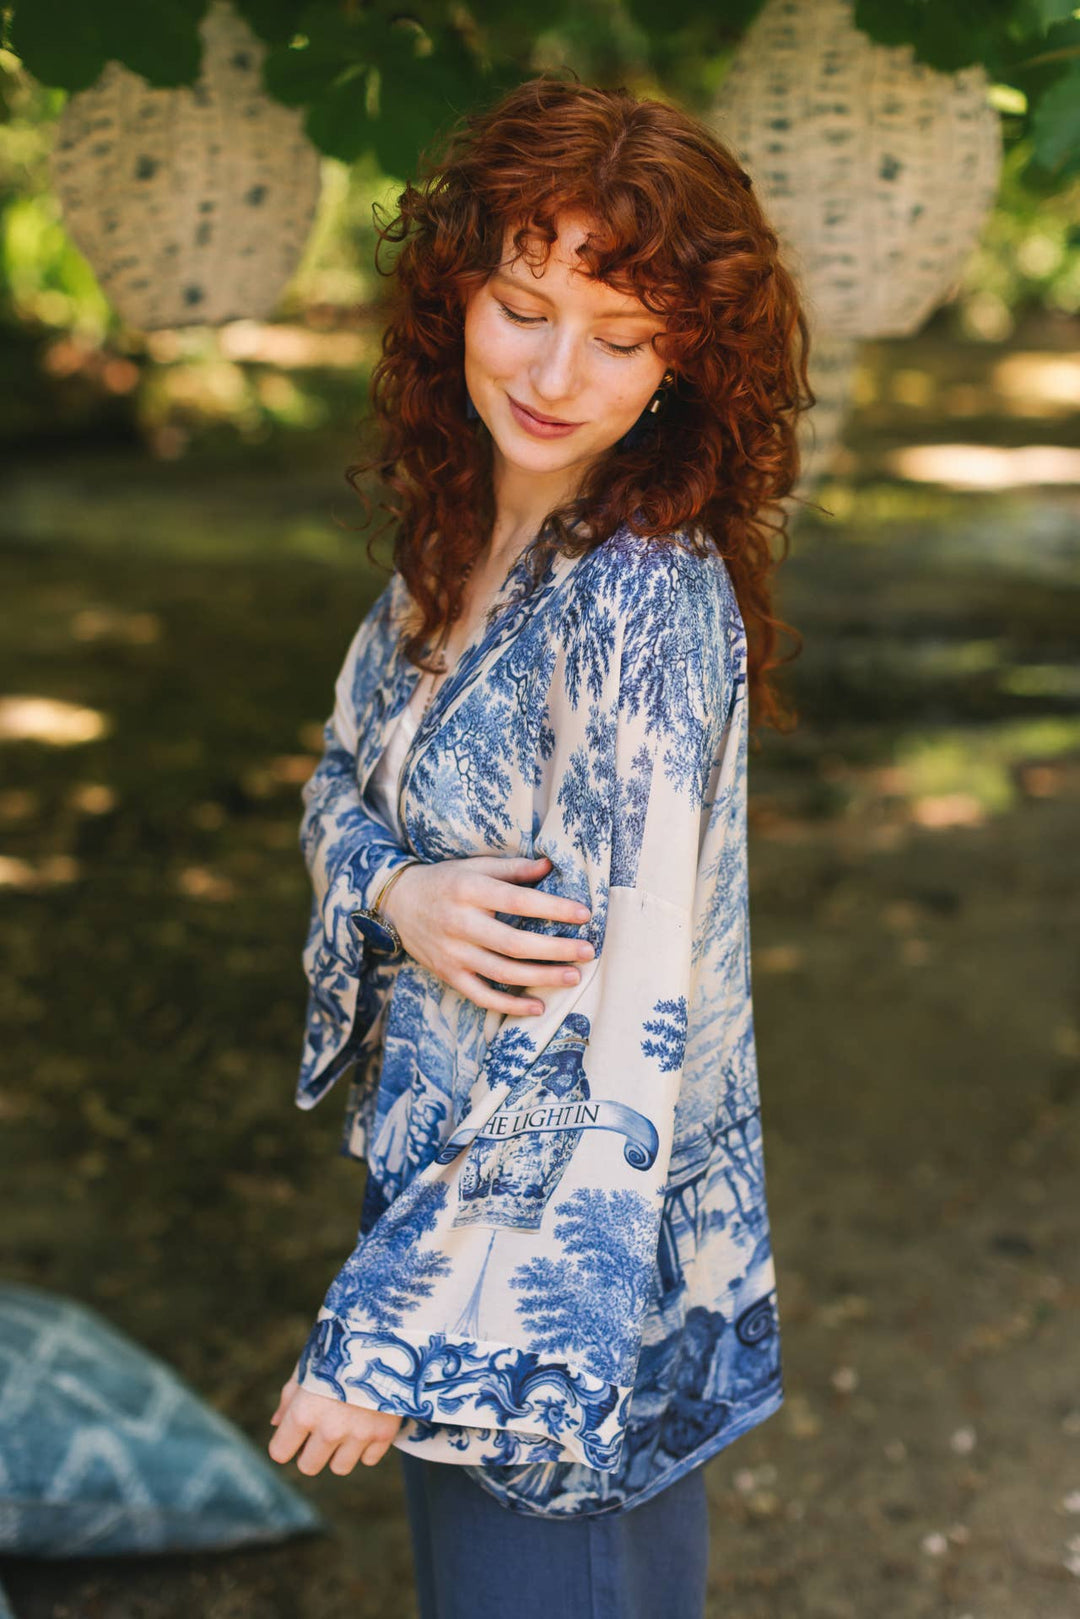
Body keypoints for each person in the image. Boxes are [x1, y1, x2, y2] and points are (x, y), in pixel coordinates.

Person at [268, 72, 811, 1619]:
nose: (559, 371)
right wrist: (393, 885)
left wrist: (391, 1327)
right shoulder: (458, 534)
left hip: (558, 1257)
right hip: (443, 1181)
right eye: (523, 306)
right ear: (456, 295)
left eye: (623, 335)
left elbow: (612, 1019)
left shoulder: (636, 595)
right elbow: (331, 784)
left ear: (687, 361)